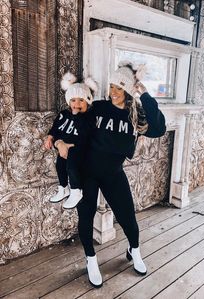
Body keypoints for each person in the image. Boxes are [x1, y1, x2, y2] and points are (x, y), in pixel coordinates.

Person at [56, 62, 166, 287]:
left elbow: (159, 128)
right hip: (86, 173)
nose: (113, 92)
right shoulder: (97, 108)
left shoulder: (135, 115)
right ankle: (91, 259)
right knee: (86, 217)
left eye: (119, 88)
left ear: (128, 90)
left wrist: (144, 94)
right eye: (112, 87)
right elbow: (69, 119)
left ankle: (134, 251)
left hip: (113, 174)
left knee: (127, 217)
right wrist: (58, 141)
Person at [44, 72, 97, 209]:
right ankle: (63, 188)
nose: (76, 104)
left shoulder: (88, 117)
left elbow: (86, 136)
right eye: (73, 100)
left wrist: (67, 144)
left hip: (78, 148)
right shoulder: (63, 114)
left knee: (71, 167)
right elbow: (56, 128)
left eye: (81, 100)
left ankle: (76, 190)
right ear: (68, 101)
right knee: (60, 165)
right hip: (63, 148)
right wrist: (50, 137)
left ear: (88, 101)